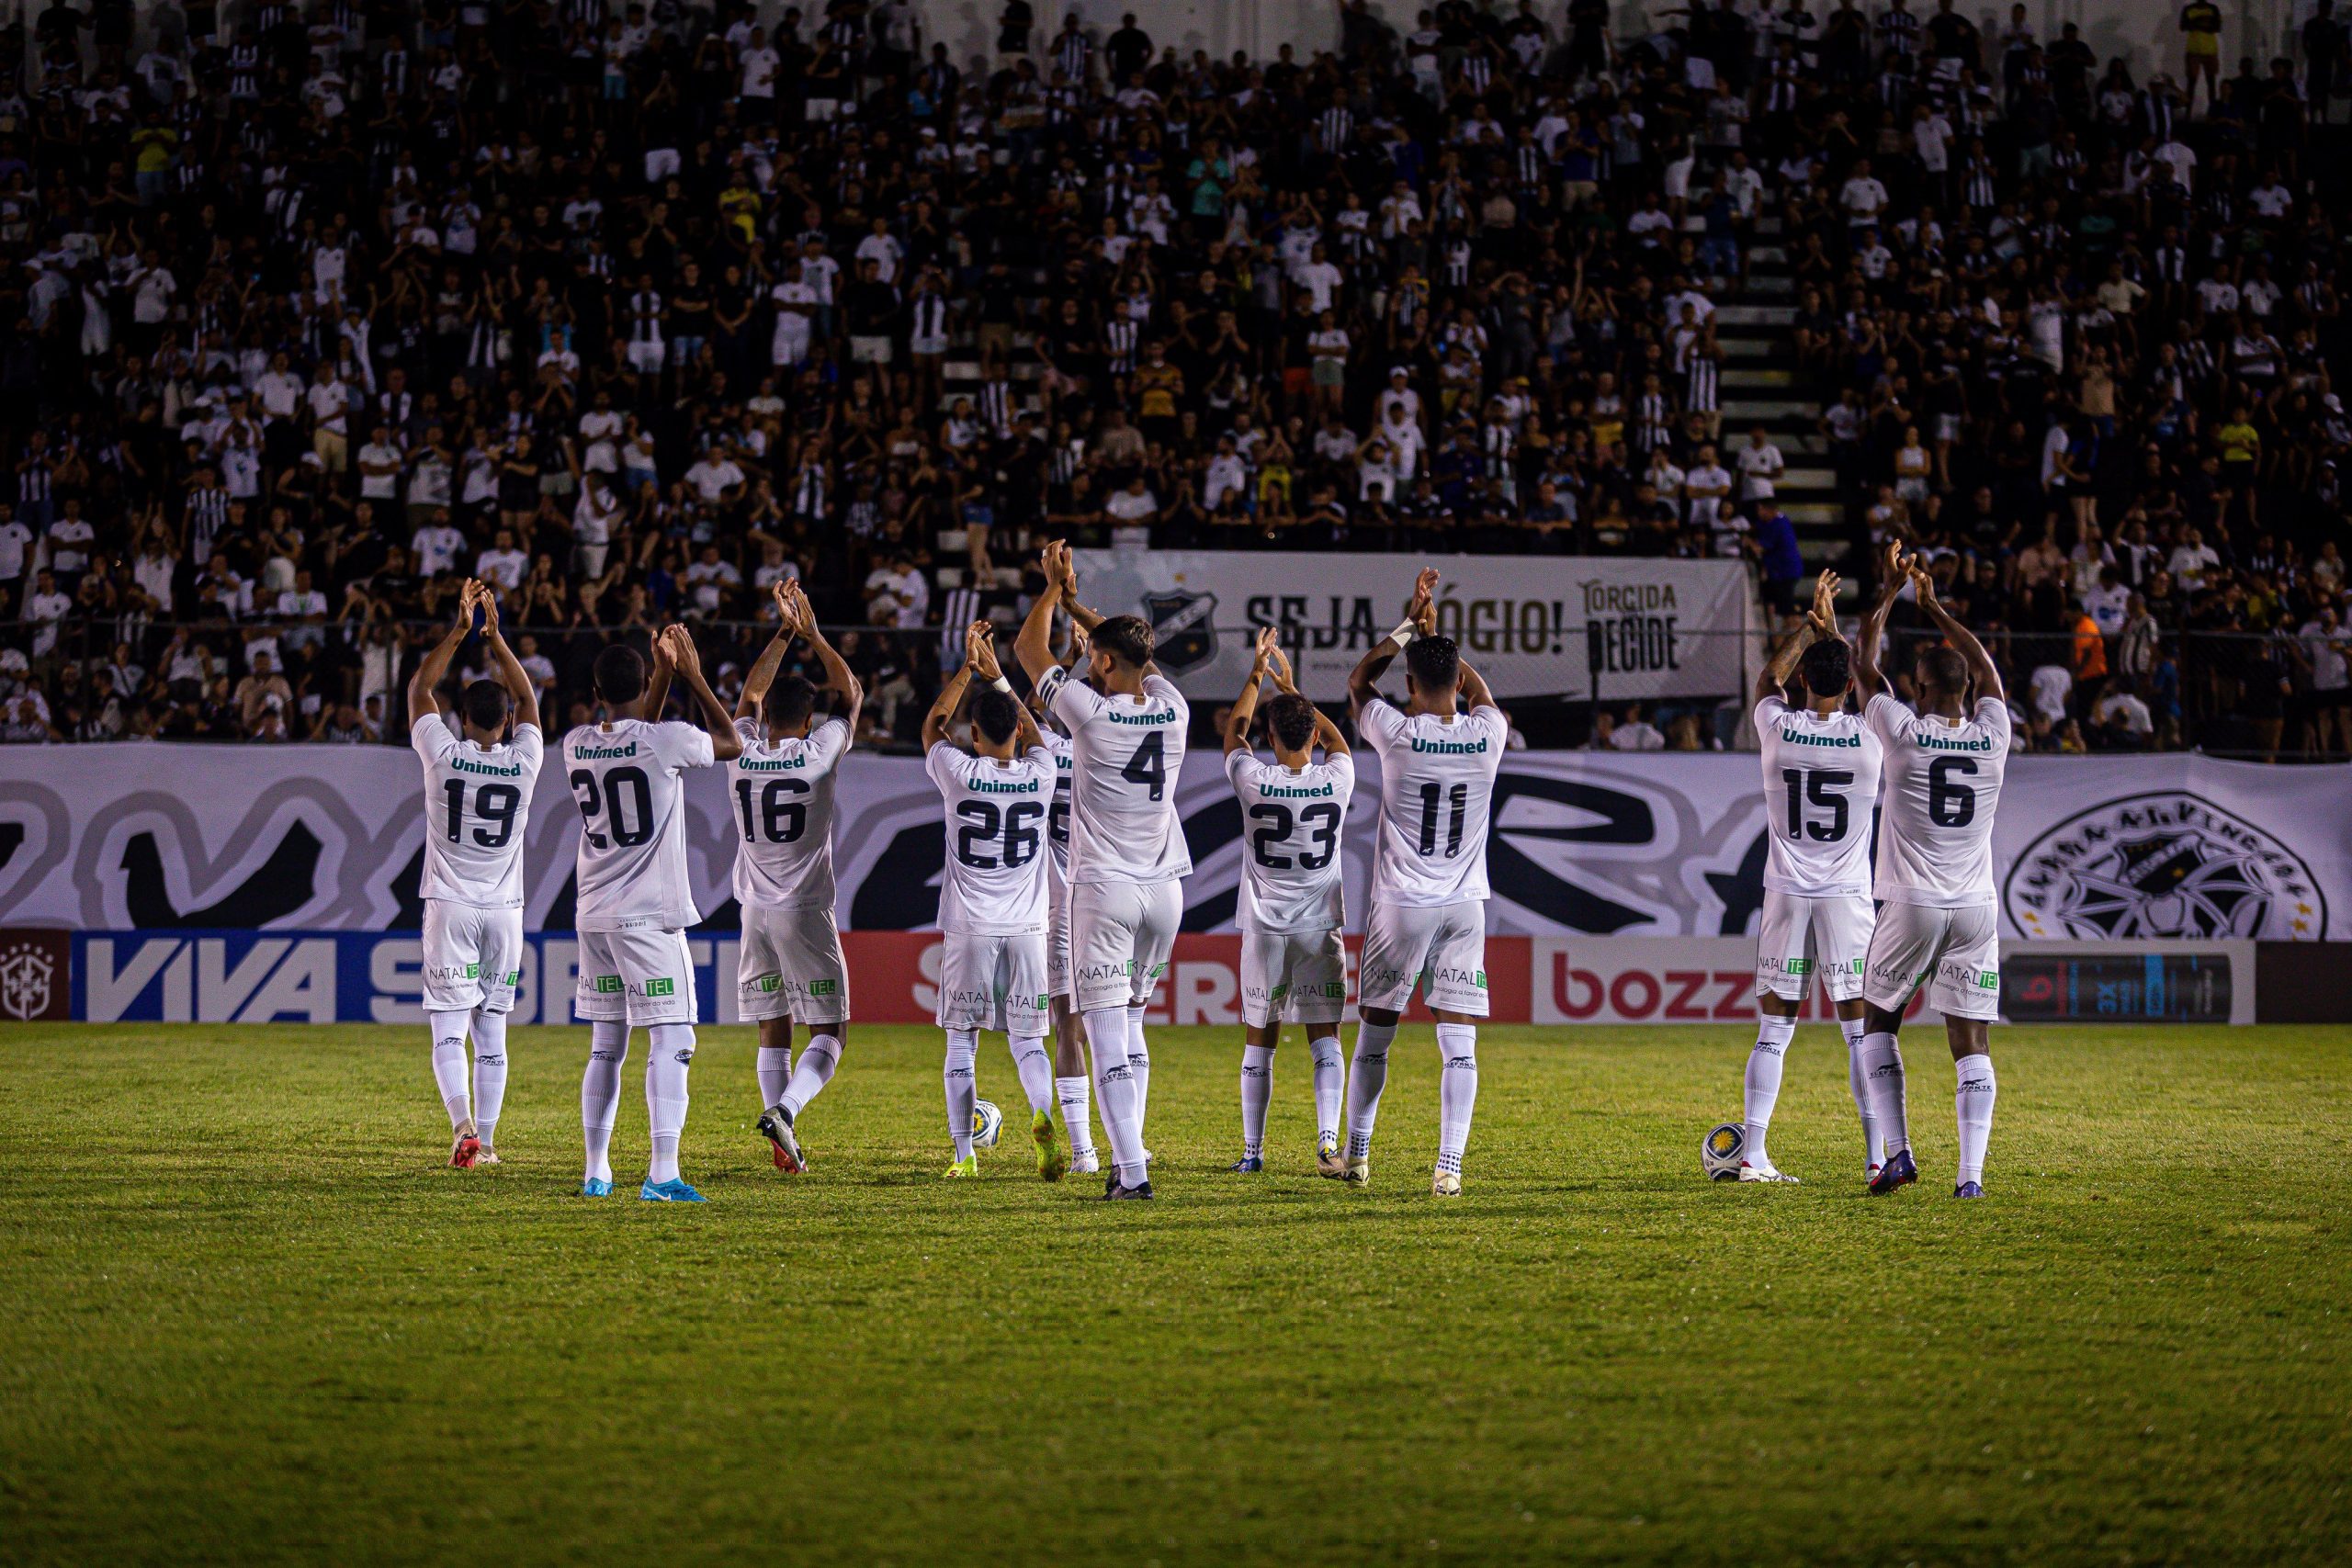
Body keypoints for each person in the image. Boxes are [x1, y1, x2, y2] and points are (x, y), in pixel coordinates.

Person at [1013, 541, 1193, 1201]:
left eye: (1092, 654)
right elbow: (1125, 647)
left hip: (1106, 890)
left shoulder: (1088, 712)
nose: (1086, 659)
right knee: (1136, 1024)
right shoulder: (1173, 705)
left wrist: (1051, 590)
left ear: (1107, 661)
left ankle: (1133, 1173)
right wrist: (1078, 604)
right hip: (1165, 890)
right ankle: (1129, 1154)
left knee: (1107, 1033)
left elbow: (1029, 654)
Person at [1342, 567, 1510, 1196]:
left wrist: (1408, 628)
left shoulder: (1396, 733)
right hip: (1465, 905)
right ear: (1461, 682)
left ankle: (1358, 1152)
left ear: (1408, 685)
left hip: (1402, 905)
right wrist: (1446, 648)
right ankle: (1450, 1167)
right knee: (1458, 1043)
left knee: (1377, 1036)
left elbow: (1358, 681)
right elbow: (1483, 698)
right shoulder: (1487, 734)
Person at [563, 624, 743, 1202]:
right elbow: (732, 742)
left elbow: (637, 732)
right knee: (673, 1035)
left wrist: (659, 675)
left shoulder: (575, 744)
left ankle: (597, 1170)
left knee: (606, 1043)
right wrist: (690, 673)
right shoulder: (666, 741)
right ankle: (663, 1173)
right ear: (641, 684)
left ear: (596, 689)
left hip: (594, 913)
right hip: (647, 917)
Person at [1852, 543, 2009, 1199]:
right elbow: (1987, 667)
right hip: (1975, 905)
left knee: (1876, 1020)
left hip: (1914, 902)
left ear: (1916, 689)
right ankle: (1970, 1177)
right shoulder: (1993, 731)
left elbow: (1863, 661)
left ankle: (1901, 1152)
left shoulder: (1903, 731)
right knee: (1969, 1040)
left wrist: (1891, 591)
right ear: (1968, 689)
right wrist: (1937, 606)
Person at [1737, 571, 1886, 1184]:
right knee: (1860, 1033)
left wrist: (1808, 627)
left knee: (1774, 1027)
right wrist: (1851, 632)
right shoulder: (1871, 735)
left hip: (1788, 892)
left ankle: (1753, 1152)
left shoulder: (1777, 727)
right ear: (1850, 686)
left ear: (1803, 681)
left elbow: (1765, 680)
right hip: (1847, 896)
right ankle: (1879, 1156)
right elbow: (1879, 687)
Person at [921, 622, 1066, 1180]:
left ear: (974, 736)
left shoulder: (959, 771)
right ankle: (1041, 1117)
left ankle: (965, 1156)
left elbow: (932, 725)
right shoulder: (1042, 772)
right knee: (1028, 1039)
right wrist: (1002, 681)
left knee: (963, 1041)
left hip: (971, 924)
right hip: (1029, 925)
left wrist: (967, 669)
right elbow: (1036, 735)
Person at [406, 581, 542, 1169]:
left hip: (450, 904)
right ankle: (485, 1143)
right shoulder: (525, 760)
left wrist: (461, 630)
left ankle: (461, 1125)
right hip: (504, 912)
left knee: (447, 1023)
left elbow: (419, 688)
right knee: (492, 1031)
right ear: (508, 723)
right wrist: (498, 638)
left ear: (460, 719)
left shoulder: (442, 751)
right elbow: (532, 703)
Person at [733, 581, 865, 1178]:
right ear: (809, 719)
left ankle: (781, 1145)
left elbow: (748, 693)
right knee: (829, 1032)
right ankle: (785, 1109)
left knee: (773, 1023)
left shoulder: (741, 749)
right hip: (805, 908)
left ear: (763, 718)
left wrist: (782, 633)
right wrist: (812, 632)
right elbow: (853, 692)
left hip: (753, 908)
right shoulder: (820, 751)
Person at [1221, 626, 1354, 1176]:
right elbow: (1340, 743)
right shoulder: (1338, 776)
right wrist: (1296, 692)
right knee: (1324, 1038)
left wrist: (1258, 673)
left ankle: (1253, 1153)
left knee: (1261, 1037)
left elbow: (1234, 732)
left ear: (1271, 739)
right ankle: (1327, 1145)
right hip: (1320, 926)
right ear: (1312, 735)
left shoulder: (1253, 778)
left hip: (1266, 925)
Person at [1030, 624, 1102, 1175]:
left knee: (1066, 1023)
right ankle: (1119, 1141)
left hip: (1057, 905)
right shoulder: (1112, 746)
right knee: (1114, 1022)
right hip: (1106, 894)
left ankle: (1083, 1149)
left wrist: (1070, 658)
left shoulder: (1047, 752)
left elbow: (1028, 709)